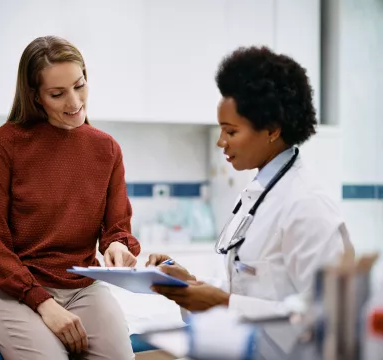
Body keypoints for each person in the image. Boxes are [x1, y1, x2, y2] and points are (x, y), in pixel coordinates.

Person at [147, 46, 354, 352]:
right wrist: (188, 284)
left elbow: (334, 319)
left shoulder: (307, 206)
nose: (221, 142)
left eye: (231, 131)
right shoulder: (259, 194)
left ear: (272, 130)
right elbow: (251, 292)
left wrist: (226, 304)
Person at [0, 36, 140, 360]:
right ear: (35, 97)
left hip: (82, 287)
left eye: (79, 85)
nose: (74, 101)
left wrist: (118, 246)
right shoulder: (7, 144)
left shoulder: (107, 149)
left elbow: (117, 228)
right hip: (9, 289)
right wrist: (42, 303)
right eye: (57, 94)